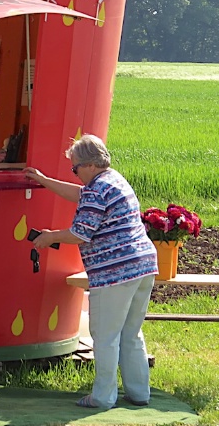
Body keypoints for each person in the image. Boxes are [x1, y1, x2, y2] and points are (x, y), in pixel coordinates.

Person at [25, 134, 157, 411]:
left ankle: (102, 397)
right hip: (143, 265)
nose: (75, 174)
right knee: (131, 333)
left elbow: (80, 234)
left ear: (89, 165)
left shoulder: (97, 190)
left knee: (105, 335)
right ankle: (139, 392)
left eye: (75, 169)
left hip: (115, 272)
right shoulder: (113, 180)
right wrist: (43, 180)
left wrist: (49, 237)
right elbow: (78, 194)